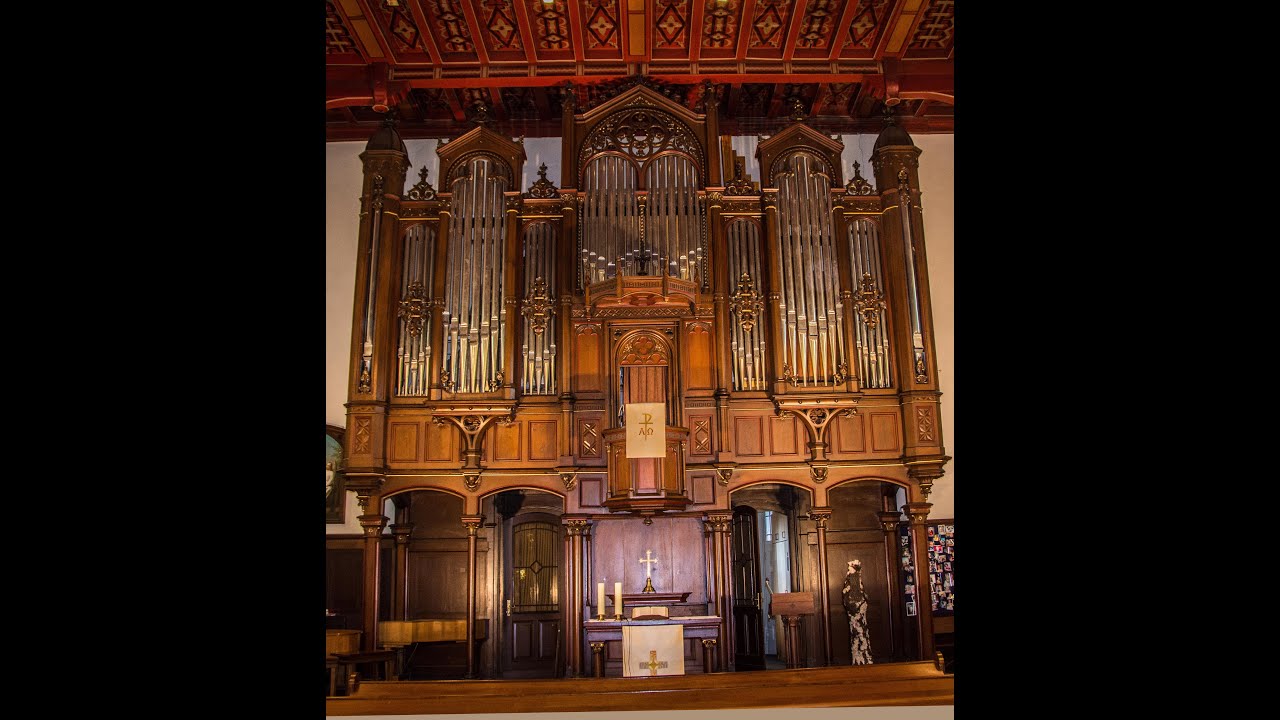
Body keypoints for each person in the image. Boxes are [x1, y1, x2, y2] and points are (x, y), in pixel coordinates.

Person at [841, 559, 873, 665]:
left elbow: (854, 599)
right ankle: (861, 658)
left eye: (850, 568)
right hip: (856, 613)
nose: (848, 570)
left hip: (857, 613)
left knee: (859, 635)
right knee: (859, 635)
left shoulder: (854, 578)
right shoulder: (853, 578)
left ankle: (862, 659)